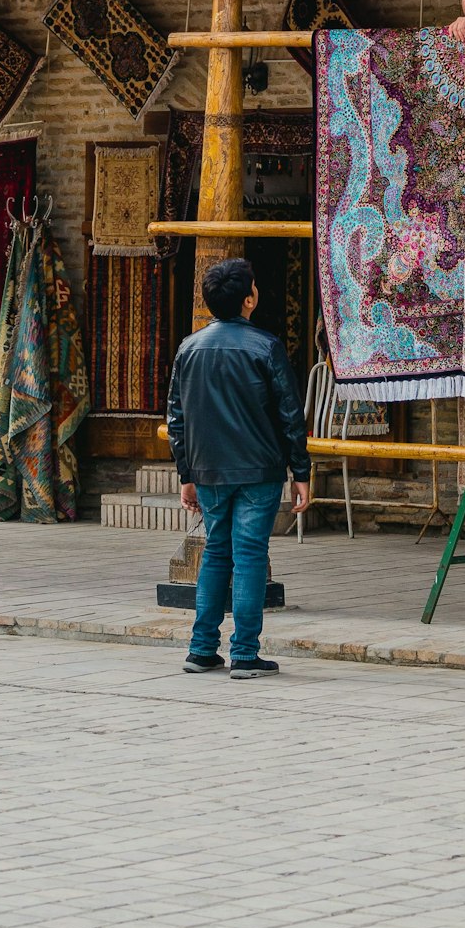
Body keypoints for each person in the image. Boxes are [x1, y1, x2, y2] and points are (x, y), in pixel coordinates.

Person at [167, 257, 311, 679]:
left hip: (209, 470)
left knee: (217, 552)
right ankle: (244, 653)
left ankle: (201, 649)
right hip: (258, 470)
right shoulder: (266, 347)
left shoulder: (188, 349)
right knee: (248, 555)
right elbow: (290, 415)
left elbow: (177, 419)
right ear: (250, 298)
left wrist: (186, 474)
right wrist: (300, 472)